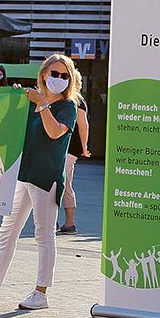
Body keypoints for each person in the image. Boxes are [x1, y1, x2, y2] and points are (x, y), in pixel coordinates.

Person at [0, 54, 80, 310]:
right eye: (54, 74)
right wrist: (14, 104)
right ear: (43, 74)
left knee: (44, 234)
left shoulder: (67, 107)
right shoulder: (29, 103)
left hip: (46, 178)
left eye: (63, 76)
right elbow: (4, 136)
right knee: (8, 231)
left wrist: (42, 105)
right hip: (24, 175)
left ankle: (41, 292)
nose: (58, 79)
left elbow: (55, 132)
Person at [58, 98, 89, 235]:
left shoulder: (78, 101)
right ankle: (69, 224)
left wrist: (84, 147)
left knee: (56, 180)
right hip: (59, 147)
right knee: (66, 184)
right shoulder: (58, 97)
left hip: (71, 148)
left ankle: (51, 221)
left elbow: (83, 125)